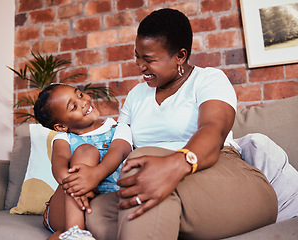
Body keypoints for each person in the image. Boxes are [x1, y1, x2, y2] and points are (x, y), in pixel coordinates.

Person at [62, 8, 278, 239]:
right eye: (137, 56)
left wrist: (177, 162)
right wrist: (96, 174)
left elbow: (213, 129)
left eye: (149, 59)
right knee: (96, 210)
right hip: (164, 183)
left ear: (180, 56)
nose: (140, 65)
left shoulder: (208, 79)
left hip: (220, 173)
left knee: (140, 166)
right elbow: (121, 144)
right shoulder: (135, 95)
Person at [33, 84, 132, 240]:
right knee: (87, 151)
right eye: (73, 107)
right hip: (64, 209)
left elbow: (118, 152)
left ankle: (67, 235)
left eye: (79, 95)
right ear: (61, 126)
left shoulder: (119, 128)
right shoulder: (63, 139)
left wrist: (93, 177)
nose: (84, 102)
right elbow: (59, 165)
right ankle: (75, 231)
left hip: (103, 207)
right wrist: (78, 186)